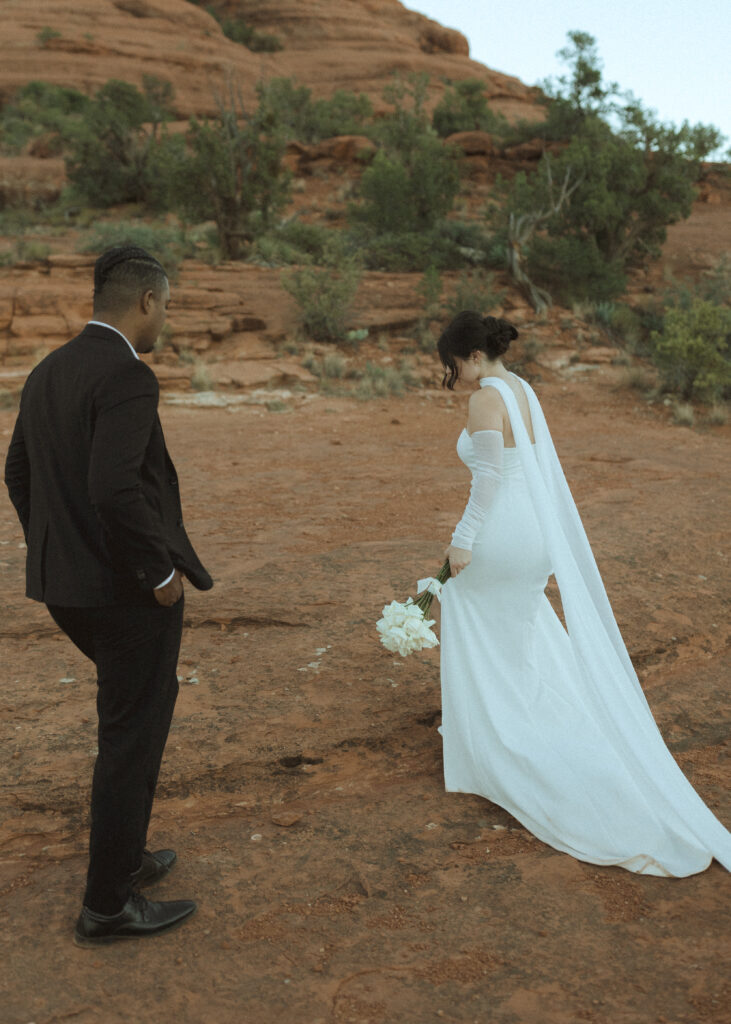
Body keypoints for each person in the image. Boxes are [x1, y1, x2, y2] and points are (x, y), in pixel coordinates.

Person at [436, 310, 731, 876]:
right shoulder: (522, 387)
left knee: (467, 608)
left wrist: (461, 541)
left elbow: (489, 480)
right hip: (535, 532)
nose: (453, 373)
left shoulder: (484, 400)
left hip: (500, 531)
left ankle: (495, 741)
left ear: (472, 356)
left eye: (453, 362)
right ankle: (510, 716)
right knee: (517, 621)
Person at [4, 245, 213, 944]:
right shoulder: (128, 375)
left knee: (126, 721)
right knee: (132, 734)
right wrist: (156, 576)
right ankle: (106, 903)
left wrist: (58, 554)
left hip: (68, 589)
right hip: (127, 594)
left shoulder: (47, 370)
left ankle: (124, 858)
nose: (166, 318)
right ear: (146, 302)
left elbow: (17, 473)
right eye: (167, 305)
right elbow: (116, 489)